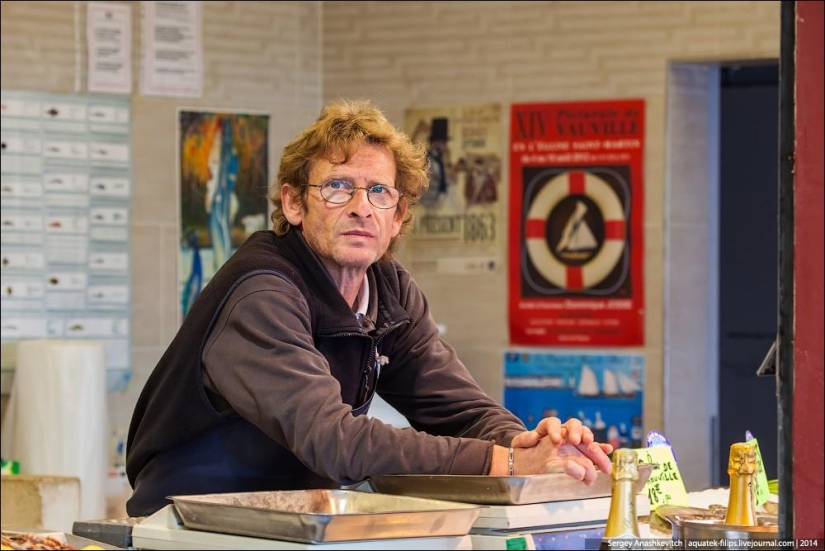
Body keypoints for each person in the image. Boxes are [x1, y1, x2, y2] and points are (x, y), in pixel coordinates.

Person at [125, 99, 613, 516]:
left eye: (379, 192)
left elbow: (459, 409)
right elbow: (335, 441)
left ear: (398, 216)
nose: (362, 207)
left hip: (291, 521)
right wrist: (505, 463)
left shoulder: (389, 290)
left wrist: (527, 445)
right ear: (294, 204)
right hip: (188, 524)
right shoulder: (263, 295)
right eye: (338, 187)